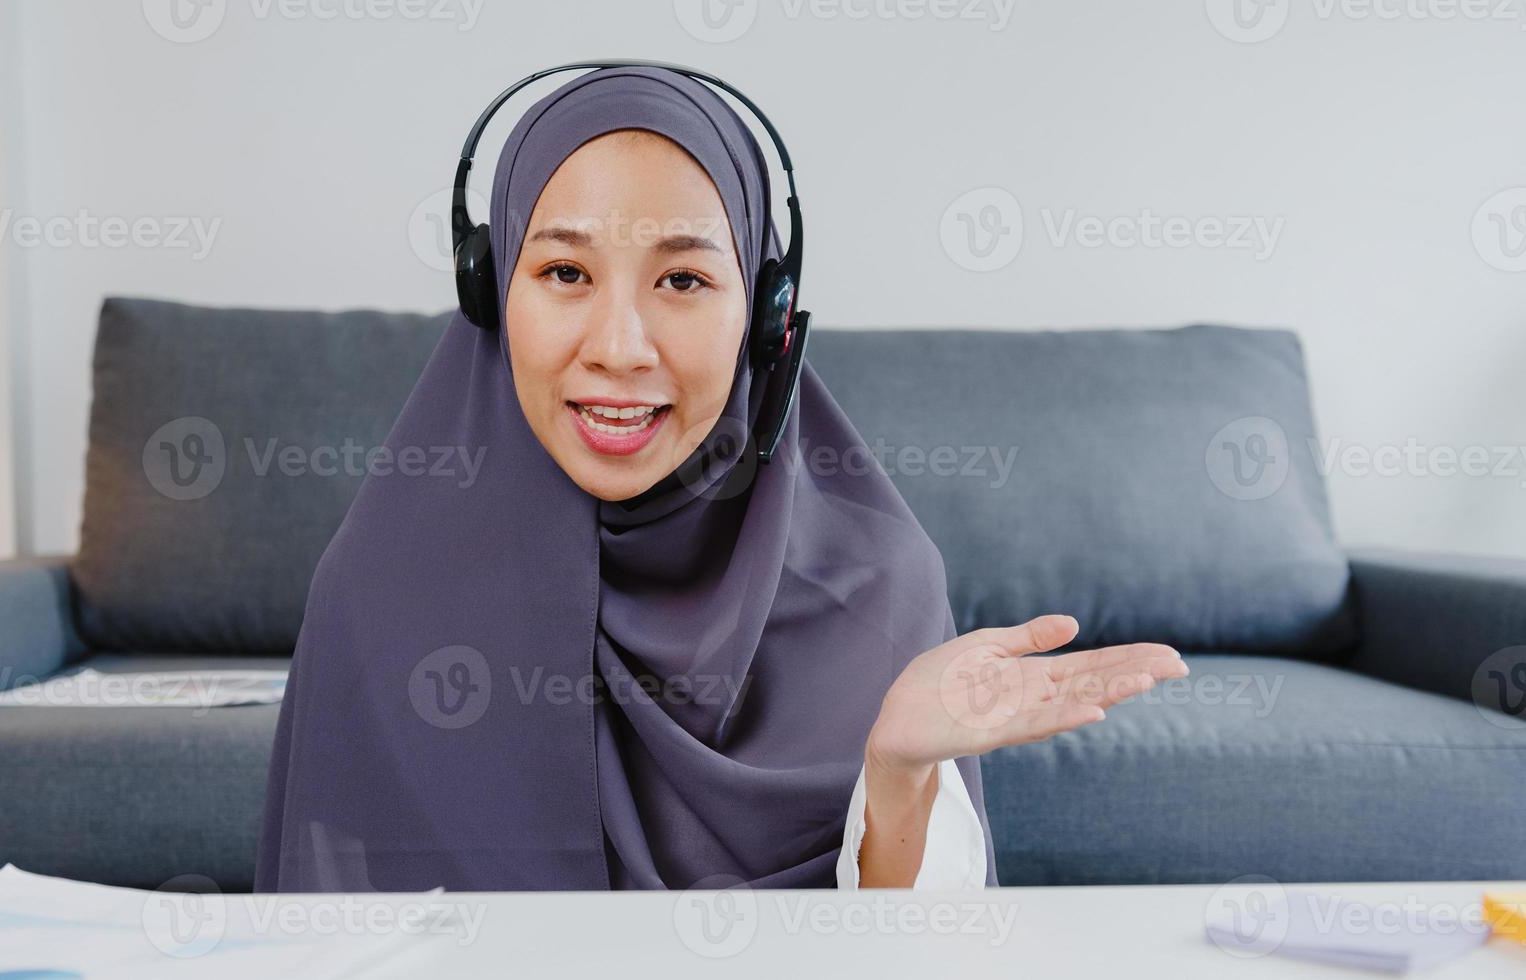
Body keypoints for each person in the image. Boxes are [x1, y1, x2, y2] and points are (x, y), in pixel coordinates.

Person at [255, 64, 1186, 893]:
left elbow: (905, 957)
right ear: (491, 289)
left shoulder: (879, 584)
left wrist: (897, 778)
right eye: (566, 271)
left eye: (684, 281)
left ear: (767, 314)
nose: (619, 348)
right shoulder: (382, 587)